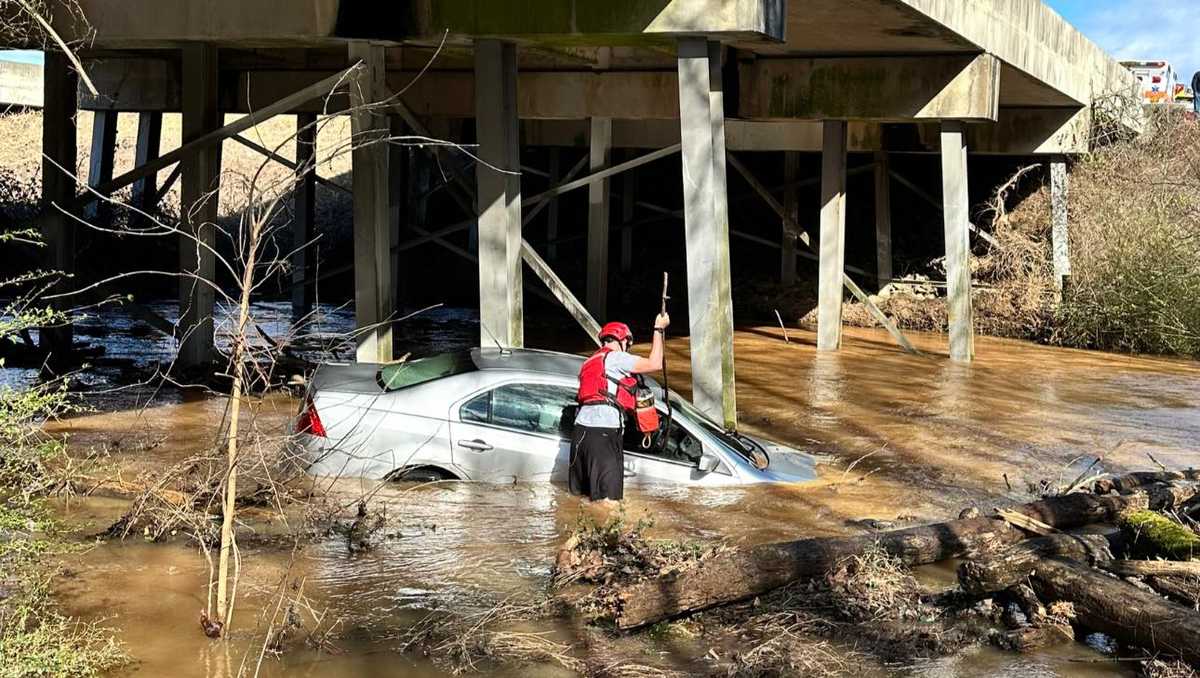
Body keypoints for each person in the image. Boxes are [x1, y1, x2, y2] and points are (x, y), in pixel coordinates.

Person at [569, 314, 670, 502]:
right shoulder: (615, 358)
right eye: (628, 345)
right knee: (608, 503)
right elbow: (655, 363)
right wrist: (659, 328)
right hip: (603, 434)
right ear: (623, 340)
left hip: (580, 436)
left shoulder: (588, 363)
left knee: (583, 499)